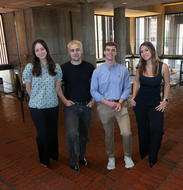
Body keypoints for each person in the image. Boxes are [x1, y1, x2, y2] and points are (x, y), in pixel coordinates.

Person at [91, 42, 134, 170]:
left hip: (121, 105)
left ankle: (127, 156)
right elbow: (93, 91)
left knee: (126, 133)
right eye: (108, 50)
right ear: (104, 52)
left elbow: (127, 88)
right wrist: (108, 102)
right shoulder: (97, 72)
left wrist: (120, 102)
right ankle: (111, 158)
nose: (110, 52)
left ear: (116, 52)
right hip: (105, 106)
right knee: (108, 134)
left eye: (113, 50)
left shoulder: (123, 70)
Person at [23, 39, 64, 167]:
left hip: (52, 105)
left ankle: (53, 154)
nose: (40, 52)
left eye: (42, 49)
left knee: (52, 132)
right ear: (34, 52)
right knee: (42, 133)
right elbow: (28, 87)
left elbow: (58, 86)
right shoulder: (30, 67)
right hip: (36, 107)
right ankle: (44, 159)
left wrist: (56, 96)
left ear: (46, 50)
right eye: (37, 50)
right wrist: (35, 98)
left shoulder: (56, 67)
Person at [130, 41, 170, 168]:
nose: (144, 53)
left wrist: (165, 100)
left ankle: (153, 156)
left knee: (157, 130)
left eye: (146, 50)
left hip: (155, 103)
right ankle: (144, 152)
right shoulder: (140, 66)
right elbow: (136, 82)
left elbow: (167, 84)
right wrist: (133, 97)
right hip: (140, 102)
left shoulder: (162, 66)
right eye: (141, 51)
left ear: (152, 50)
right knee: (143, 130)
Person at [61, 40, 95, 172]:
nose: (75, 53)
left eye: (77, 50)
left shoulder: (89, 67)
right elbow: (58, 87)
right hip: (71, 107)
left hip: (86, 106)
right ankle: (73, 161)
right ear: (69, 52)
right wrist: (64, 101)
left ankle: (81, 156)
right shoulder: (63, 68)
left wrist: (93, 100)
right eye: (72, 50)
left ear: (81, 51)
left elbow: (95, 86)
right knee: (72, 134)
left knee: (84, 136)